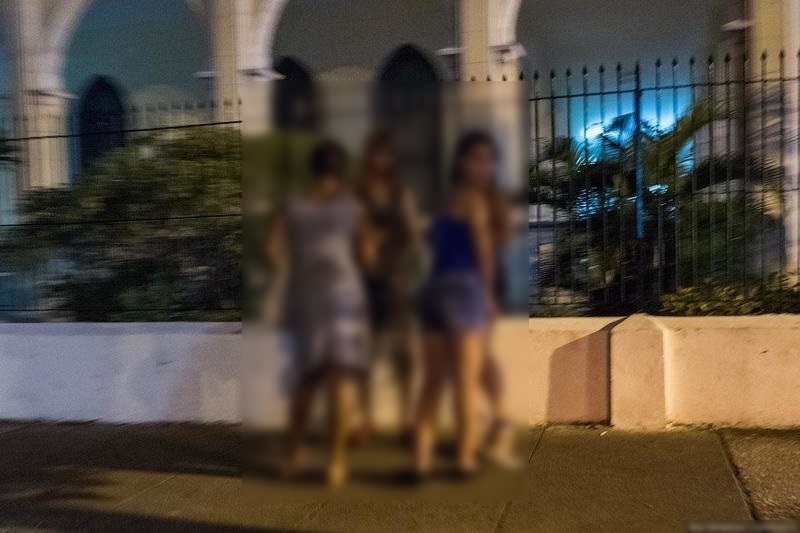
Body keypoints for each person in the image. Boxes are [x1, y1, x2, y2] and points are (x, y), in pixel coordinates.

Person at [267, 140, 369, 487]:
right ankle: (337, 463)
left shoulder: (293, 206)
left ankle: (292, 455)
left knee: (307, 380)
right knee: (342, 378)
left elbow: (273, 250)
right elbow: (366, 255)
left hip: (307, 298)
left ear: (313, 169)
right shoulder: (353, 207)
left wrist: (296, 268)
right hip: (345, 297)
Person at [414, 131, 502, 478]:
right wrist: (488, 296)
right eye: (478, 158)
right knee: (465, 381)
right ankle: (464, 459)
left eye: (489, 160)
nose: (485, 166)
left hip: (434, 290)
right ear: (462, 162)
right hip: (464, 290)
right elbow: (483, 254)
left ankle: (421, 459)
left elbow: (431, 242)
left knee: (432, 382)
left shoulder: (444, 201)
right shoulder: (475, 202)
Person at [352, 130, 423, 446]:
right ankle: (366, 420)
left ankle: (407, 420)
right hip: (363, 281)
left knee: (402, 354)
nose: (382, 159)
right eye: (377, 153)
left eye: (387, 154)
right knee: (364, 355)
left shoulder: (400, 192)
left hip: (396, 279)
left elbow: (413, 232)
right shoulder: (358, 192)